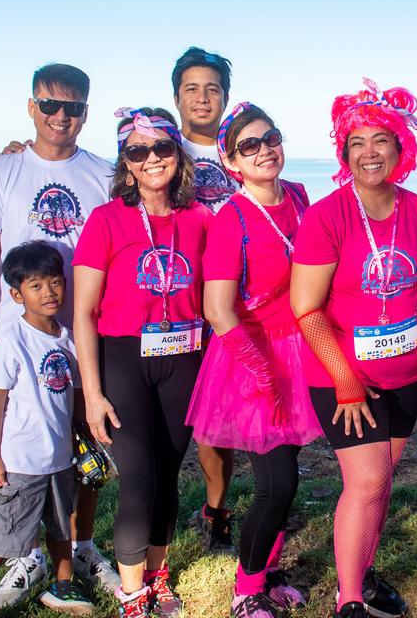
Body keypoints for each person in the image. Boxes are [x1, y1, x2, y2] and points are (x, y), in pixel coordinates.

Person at [0, 63, 119, 608]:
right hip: (20, 342)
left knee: (82, 446)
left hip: (84, 338)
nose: (61, 116)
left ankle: (79, 545)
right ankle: (26, 554)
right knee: (22, 446)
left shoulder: (103, 175)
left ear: (85, 112)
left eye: (73, 107)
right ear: (30, 106)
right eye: (50, 105)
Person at [291, 79, 417, 618]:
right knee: (368, 478)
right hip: (342, 374)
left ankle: (361, 574)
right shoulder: (327, 215)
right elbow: (306, 307)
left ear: (401, 149)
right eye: (356, 142)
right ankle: (349, 600)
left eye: (381, 140)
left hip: (409, 370)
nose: (369, 152)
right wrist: (345, 377)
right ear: (343, 152)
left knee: (380, 482)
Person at [73, 107, 212, 618]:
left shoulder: (200, 218)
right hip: (125, 358)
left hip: (185, 356)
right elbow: (84, 313)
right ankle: (132, 592)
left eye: (162, 148)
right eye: (137, 151)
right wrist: (92, 392)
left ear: (178, 154)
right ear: (125, 163)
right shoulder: (107, 219)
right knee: (138, 477)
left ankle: (158, 574)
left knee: (169, 472)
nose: (152, 159)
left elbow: (221, 293)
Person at [186, 103, 322, 618]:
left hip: (300, 347)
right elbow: (217, 309)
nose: (264, 149)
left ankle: (268, 572)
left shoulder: (301, 197)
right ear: (230, 161)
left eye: (271, 138)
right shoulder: (231, 218)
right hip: (252, 359)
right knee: (275, 482)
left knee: (288, 473)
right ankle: (246, 592)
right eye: (249, 145)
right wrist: (261, 370)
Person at [0, 241, 94, 618]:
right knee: (1, 539)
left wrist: (83, 438)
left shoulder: (68, 337)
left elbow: (77, 396)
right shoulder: (11, 341)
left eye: (55, 282)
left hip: (60, 457)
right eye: (36, 286)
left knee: (61, 527)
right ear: (17, 294)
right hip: (20, 463)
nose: (49, 292)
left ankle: (62, 586)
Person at [170, 46, 239, 553]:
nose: (202, 97)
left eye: (212, 88)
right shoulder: (158, 152)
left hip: (237, 306)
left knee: (222, 418)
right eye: (191, 88)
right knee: (177, 420)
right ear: (176, 97)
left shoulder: (243, 149)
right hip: (178, 308)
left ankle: (216, 507)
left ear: (226, 97)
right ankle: (158, 508)